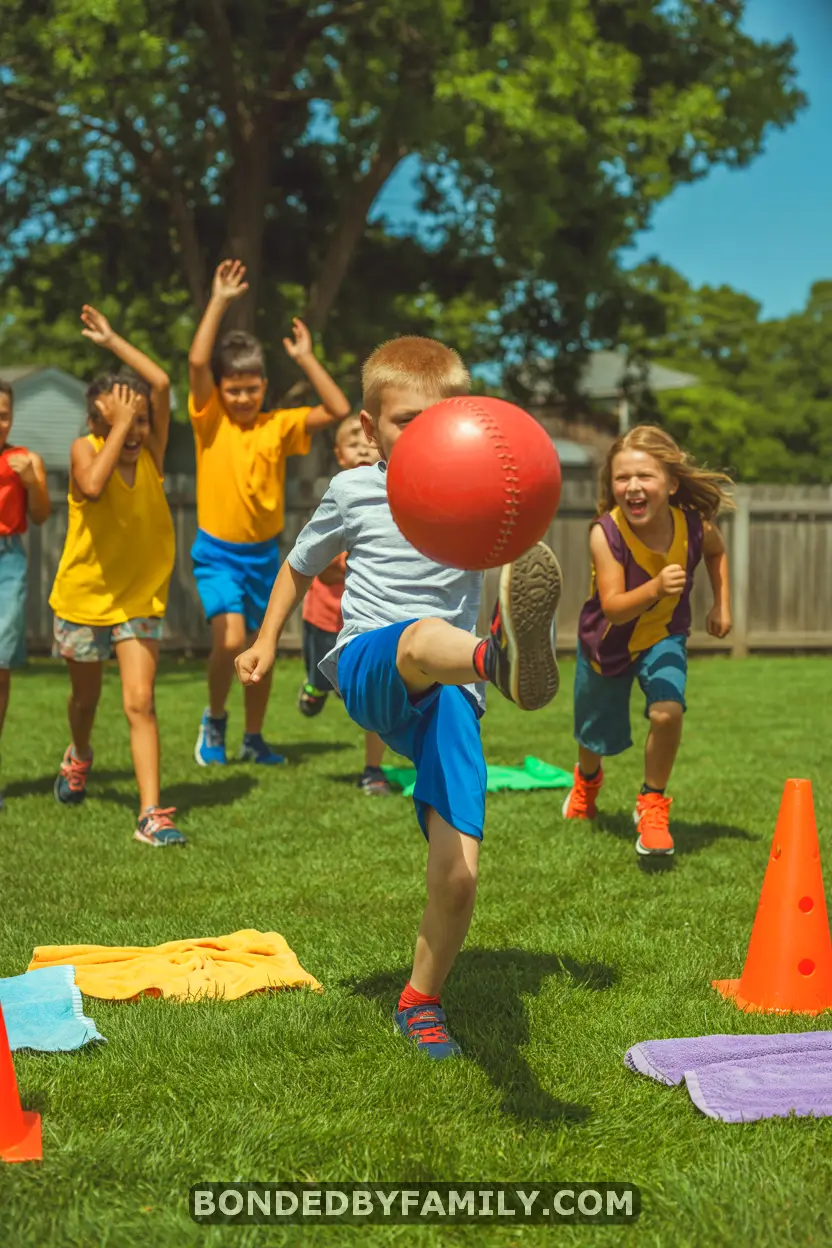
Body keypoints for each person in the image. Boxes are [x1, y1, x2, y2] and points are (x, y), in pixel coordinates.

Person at [236, 336, 562, 1060]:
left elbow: (520, 545)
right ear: (371, 424)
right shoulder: (354, 489)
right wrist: (264, 642)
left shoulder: (483, 488)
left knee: (459, 872)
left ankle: (419, 1000)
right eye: (405, 421)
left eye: (440, 417)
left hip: (454, 693)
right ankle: (495, 659)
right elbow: (296, 565)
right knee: (419, 636)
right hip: (370, 664)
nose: (425, 433)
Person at [188, 260, 351, 767]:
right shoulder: (210, 420)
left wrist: (305, 358)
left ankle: (252, 737)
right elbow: (196, 364)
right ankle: (215, 718)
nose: (241, 397)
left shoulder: (278, 425)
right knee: (232, 638)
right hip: (217, 552)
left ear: (263, 386)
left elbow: (338, 409)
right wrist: (219, 299)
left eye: (250, 388)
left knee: (262, 647)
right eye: (232, 388)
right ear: (219, 390)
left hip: (265, 557)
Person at [562, 424, 733, 857]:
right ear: (611, 485)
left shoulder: (694, 525)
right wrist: (657, 587)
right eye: (622, 478)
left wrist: (721, 606)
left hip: (664, 637)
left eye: (645, 477)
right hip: (607, 642)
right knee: (593, 736)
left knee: (667, 711)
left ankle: (652, 801)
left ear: (672, 483)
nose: (633, 487)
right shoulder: (605, 533)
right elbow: (616, 606)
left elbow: (717, 551)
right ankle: (586, 782)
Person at [49, 306, 185, 848]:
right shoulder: (85, 450)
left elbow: (161, 380)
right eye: (117, 422)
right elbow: (94, 487)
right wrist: (122, 422)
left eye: (142, 421)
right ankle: (79, 754)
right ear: (95, 424)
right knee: (85, 702)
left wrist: (112, 341)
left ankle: (150, 813)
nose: (133, 431)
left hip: (139, 600)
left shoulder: (151, 453)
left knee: (139, 701)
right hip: (83, 600)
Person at [297, 414, 391, 796]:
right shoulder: (338, 497)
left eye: (367, 444)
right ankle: (314, 687)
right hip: (325, 615)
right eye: (352, 445)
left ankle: (372, 770)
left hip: (368, 620)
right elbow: (321, 571)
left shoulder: (390, 500)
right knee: (323, 680)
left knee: (371, 692)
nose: (362, 450)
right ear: (339, 455)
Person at [0, 380, 51, 811]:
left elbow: (40, 515)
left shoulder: (26, 459)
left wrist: (33, 482)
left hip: (8, 561)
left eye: (3, 414)